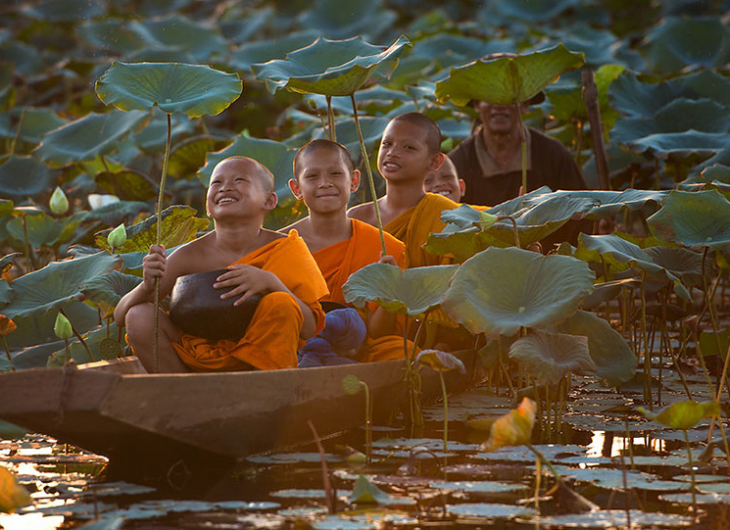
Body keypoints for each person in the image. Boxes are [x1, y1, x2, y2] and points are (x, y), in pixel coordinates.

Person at [114, 156, 329, 373]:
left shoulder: (286, 248)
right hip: (197, 360)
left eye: (239, 180)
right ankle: (181, 395)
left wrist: (271, 282)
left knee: (281, 302)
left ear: (270, 201)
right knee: (138, 315)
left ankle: (267, 396)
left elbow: (310, 327)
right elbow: (120, 316)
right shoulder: (190, 255)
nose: (225, 187)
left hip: (264, 365)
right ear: (207, 205)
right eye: (216, 183)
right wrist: (147, 286)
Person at [284, 139, 409, 364]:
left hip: (359, 351)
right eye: (312, 177)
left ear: (354, 181)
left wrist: (388, 292)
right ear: (296, 189)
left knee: (403, 353)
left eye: (335, 174)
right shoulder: (281, 244)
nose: (325, 183)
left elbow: (379, 333)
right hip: (296, 348)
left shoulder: (384, 247)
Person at [448, 56, 587, 207]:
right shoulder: (457, 163)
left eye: (508, 96)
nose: (499, 105)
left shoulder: (553, 155)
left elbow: (581, 213)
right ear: (476, 104)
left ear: (525, 104)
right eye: (490, 95)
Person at [348, 112, 459, 267]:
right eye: (387, 144)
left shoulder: (449, 220)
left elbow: (456, 286)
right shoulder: (355, 218)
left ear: (435, 161)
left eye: (408, 147)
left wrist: (397, 282)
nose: (392, 153)